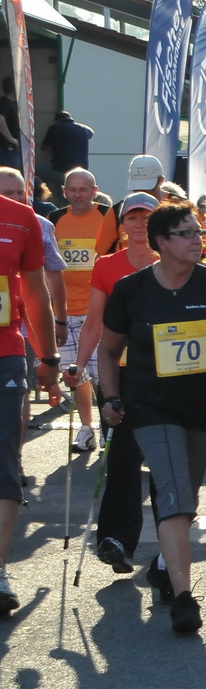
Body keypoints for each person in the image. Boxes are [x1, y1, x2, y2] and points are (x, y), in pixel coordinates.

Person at [98, 202, 206, 634]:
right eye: (187, 234)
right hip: (149, 406)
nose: (197, 240)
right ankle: (185, 597)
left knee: (183, 499)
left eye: (198, 232)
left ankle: (161, 567)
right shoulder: (131, 290)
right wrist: (111, 397)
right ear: (162, 242)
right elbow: (109, 351)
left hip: (203, 407)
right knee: (173, 495)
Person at [68, 192, 160, 573]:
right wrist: (77, 364)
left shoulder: (172, 261)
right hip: (118, 372)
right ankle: (116, 540)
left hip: (164, 373)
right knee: (122, 454)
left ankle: (169, 552)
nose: (139, 224)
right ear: (122, 225)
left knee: (164, 461)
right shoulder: (107, 265)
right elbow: (93, 322)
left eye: (147, 217)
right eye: (132, 217)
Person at [0, 177, 59, 615]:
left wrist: (49, 356)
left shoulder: (21, 218)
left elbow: (35, 289)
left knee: (4, 459)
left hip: (5, 353)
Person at [51, 168, 117, 451]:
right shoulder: (54, 219)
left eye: (84, 189)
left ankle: (108, 426)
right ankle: (86, 428)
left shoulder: (107, 216)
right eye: (73, 190)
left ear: (94, 191)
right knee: (74, 373)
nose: (78, 195)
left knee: (103, 373)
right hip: (66, 311)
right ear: (64, 192)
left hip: (99, 309)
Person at [40, 109, 94, 192]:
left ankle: (42, 196)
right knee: (67, 194)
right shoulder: (83, 129)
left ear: (57, 120)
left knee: (35, 173)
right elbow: (91, 133)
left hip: (61, 169)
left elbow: (43, 147)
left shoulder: (55, 127)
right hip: (81, 173)